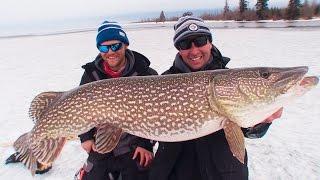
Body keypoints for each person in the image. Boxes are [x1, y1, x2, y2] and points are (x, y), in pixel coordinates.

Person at [149, 16, 283, 180]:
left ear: (209, 42)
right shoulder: (163, 82)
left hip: (223, 174)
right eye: (185, 44)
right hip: (176, 173)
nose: (194, 50)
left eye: (200, 40)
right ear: (179, 49)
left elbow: (249, 131)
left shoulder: (230, 80)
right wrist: (141, 144)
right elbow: (144, 122)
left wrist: (261, 122)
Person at [74, 21, 158, 180]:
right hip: (102, 144)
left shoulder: (145, 73)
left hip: (134, 144)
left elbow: (159, 113)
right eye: (104, 48)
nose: (110, 52)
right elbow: (79, 107)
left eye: (115, 46)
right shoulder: (91, 76)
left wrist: (145, 144)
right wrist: (85, 137)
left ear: (125, 45)